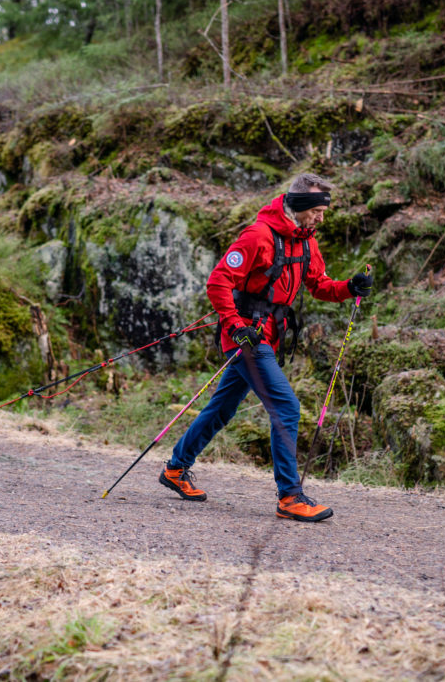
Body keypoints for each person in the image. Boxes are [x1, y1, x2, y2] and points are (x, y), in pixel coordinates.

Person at [158, 173, 373, 522]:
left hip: (268, 337)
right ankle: (290, 497)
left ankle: (175, 469)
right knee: (286, 407)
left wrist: (350, 286)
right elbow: (218, 282)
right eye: (317, 211)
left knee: (222, 408)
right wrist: (236, 325)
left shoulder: (306, 241)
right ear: (300, 206)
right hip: (245, 337)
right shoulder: (258, 236)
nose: (321, 218)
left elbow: (319, 285)